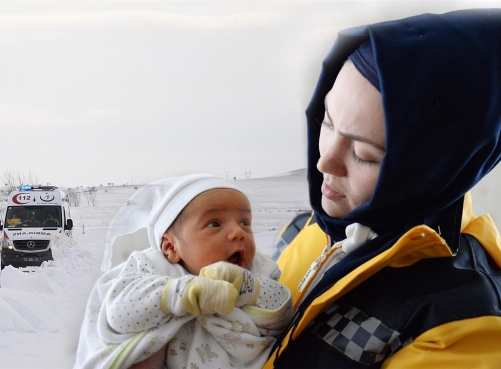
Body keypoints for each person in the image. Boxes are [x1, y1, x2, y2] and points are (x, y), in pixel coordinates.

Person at [269, 9, 501, 367]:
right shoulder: (308, 227)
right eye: (326, 122)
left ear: (433, 171)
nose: (323, 163)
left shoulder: (461, 320)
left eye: (363, 153)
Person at [76, 174, 293, 369]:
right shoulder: (153, 267)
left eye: (245, 222)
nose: (238, 232)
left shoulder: (259, 269)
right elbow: (120, 313)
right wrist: (181, 293)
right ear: (171, 247)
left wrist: (247, 285)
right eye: (215, 223)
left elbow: (282, 313)